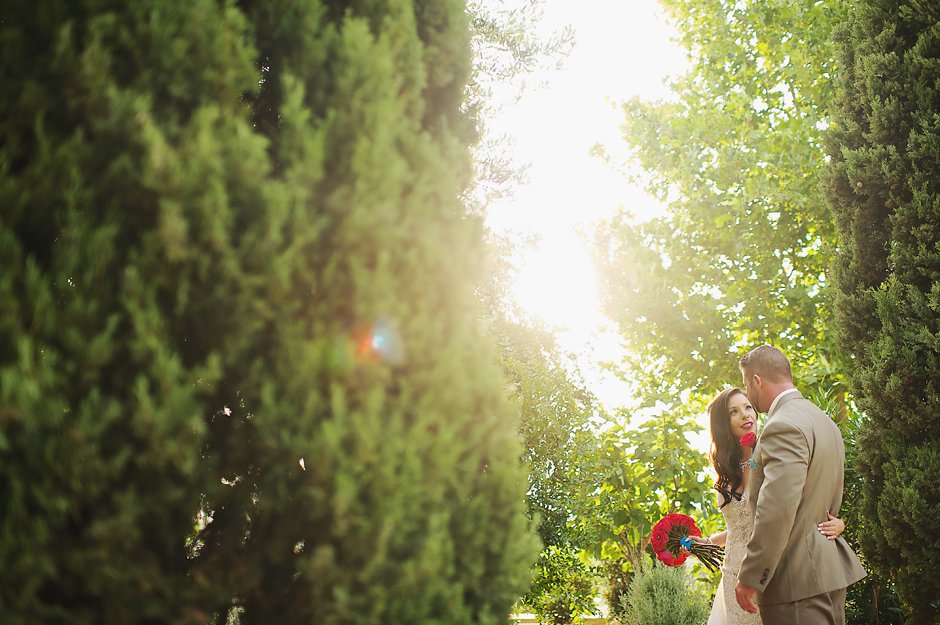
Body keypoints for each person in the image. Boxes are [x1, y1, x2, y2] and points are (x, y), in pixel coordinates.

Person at [687, 387, 845, 625]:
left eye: (748, 407)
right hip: (733, 575)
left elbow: (795, 505)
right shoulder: (724, 475)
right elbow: (740, 527)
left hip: (769, 571)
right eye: (734, 411)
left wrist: (840, 523)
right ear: (723, 423)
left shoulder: (775, 454)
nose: (745, 415)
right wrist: (709, 542)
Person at [734, 345, 866, 625]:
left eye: (746, 385)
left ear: (757, 380)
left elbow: (777, 508)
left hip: (796, 582)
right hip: (827, 573)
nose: (747, 393)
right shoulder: (824, 421)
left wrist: (752, 575)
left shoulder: (782, 425)